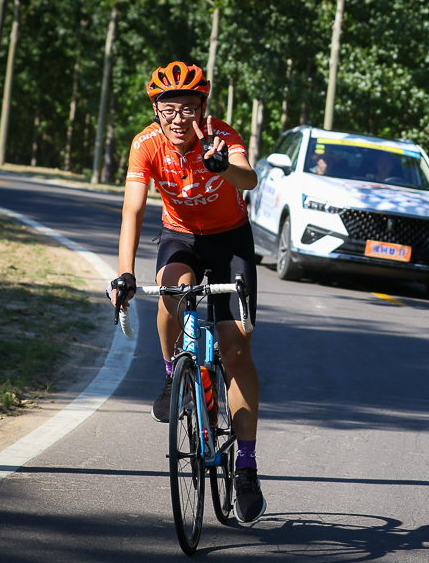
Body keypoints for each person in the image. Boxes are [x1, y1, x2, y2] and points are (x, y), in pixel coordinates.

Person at [109, 61, 265, 524]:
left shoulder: (221, 137)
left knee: (235, 350)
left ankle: (247, 467)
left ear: (203, 108)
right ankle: (170, 373)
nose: (179, 118)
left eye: (189, 107)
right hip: (181, 237)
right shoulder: (146, 145)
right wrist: (123, 273)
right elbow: (133, 211)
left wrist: (225, 168)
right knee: (171, 292)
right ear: (156, 109)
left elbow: (248, 178)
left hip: (231, 241)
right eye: (168, 107)